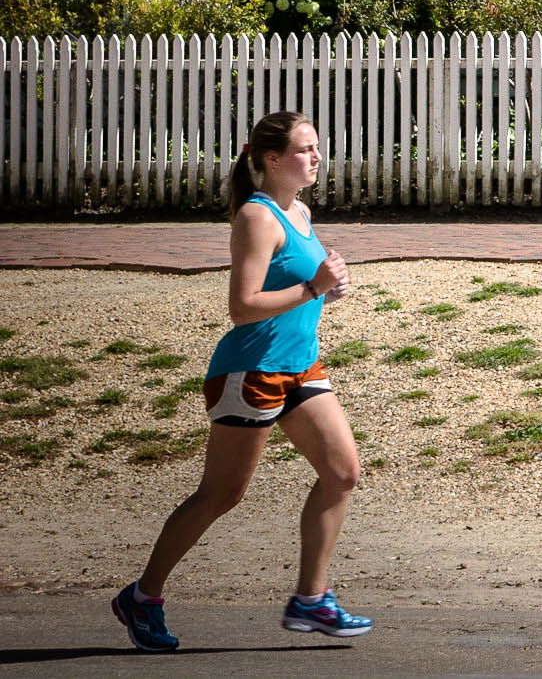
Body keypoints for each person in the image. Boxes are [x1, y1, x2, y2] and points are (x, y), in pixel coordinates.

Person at [111, 110, 374, 651]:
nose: (316, 157)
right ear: (272, 159)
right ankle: (142, 597)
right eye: (304, 149)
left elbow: (300, 285)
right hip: (250, 371)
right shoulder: (258, 217)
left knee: (343, 473)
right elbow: (243, 306)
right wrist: (314, 286)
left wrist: (326, 284)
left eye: (316, 147)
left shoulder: (299, 211)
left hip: (300, 366)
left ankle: (311, 599)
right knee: (222, 494)